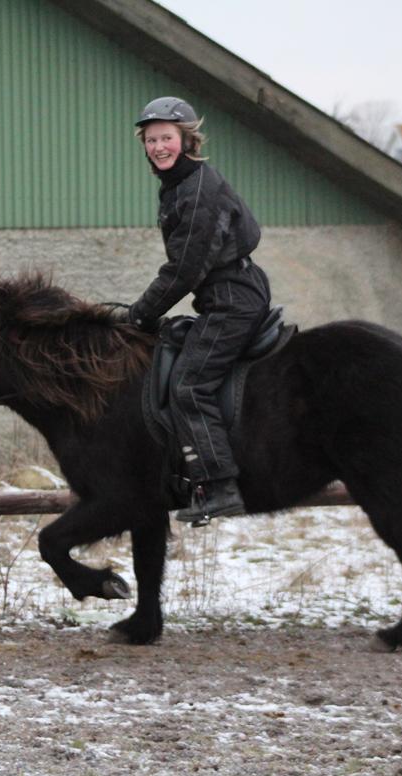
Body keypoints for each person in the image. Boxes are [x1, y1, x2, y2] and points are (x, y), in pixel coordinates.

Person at [128, 96, 271, 525]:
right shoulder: (179, 184)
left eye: (166, 138)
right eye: (151, 140)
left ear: (186, 139)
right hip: (222, 296)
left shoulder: (198, 191)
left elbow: (184, 270)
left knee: (190, 385)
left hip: (233, 300)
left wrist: (140, 314)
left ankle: (220, 485)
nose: (158, 147)